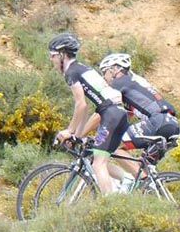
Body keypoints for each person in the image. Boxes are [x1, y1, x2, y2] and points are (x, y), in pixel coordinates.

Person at [48, 33, 128, 194]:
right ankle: (128, 181)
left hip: (110, 114)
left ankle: (109, 204)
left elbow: (81, 105)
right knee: (97, 158)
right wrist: (77, 135)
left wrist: (69, 131)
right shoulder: (82, 68)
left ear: (62, 54)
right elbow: (84, 109)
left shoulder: (71, 72)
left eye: (53, 55)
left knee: (98, 164)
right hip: (117, 113)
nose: (51, 59)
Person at [96, 52, 180, 184]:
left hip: (157, 121)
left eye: (104, 71)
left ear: (115, 69)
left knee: (114, 146)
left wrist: (87, 134)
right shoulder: (135, 82)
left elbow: (105, 111)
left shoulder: (119, 83)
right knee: (144, 167)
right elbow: (123, 117)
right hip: (172, 124)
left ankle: (143, 181)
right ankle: (151, 188)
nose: (103, 77)